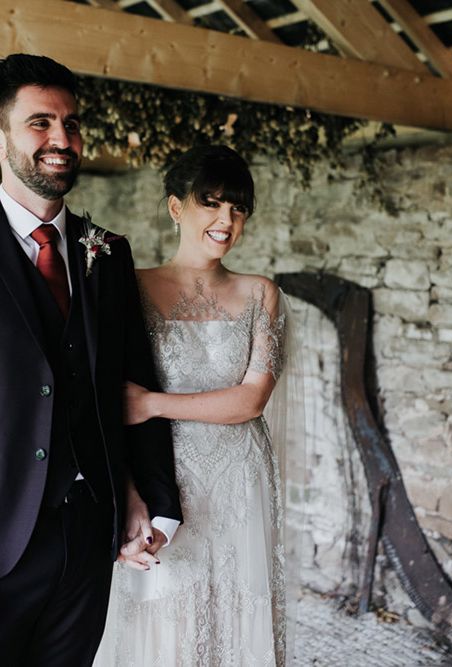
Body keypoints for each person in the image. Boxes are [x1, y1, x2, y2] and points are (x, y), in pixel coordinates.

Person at [0, 53, 183, 666]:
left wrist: (151, 499)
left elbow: (135, 380)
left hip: (87, 530)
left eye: (71, 124)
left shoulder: (107, 252)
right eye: (40, 122)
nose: (61, 139)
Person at [95, 145, 294, 666]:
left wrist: (152, 403)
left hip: (239, 480)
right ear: (176, 207)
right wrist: (131, 492)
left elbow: (251, 400)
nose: (226, 219)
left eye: (238, 207)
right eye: (210, 203)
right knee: (167, 615)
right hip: (166, 476)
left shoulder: (261, 294)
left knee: (238, 610)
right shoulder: (129, 287)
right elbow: (106, 405)